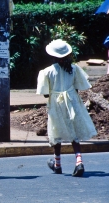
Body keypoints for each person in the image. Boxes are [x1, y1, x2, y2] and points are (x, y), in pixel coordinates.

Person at [36, 39, 97, 177]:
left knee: (56, 133)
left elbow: (45, 93)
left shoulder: (47, 72)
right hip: (72, 101)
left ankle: (57, 164)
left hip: (56, 104)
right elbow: (78, 87)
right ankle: (79, 161)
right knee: (73, 132)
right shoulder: (74, 69)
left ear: (53, 56)